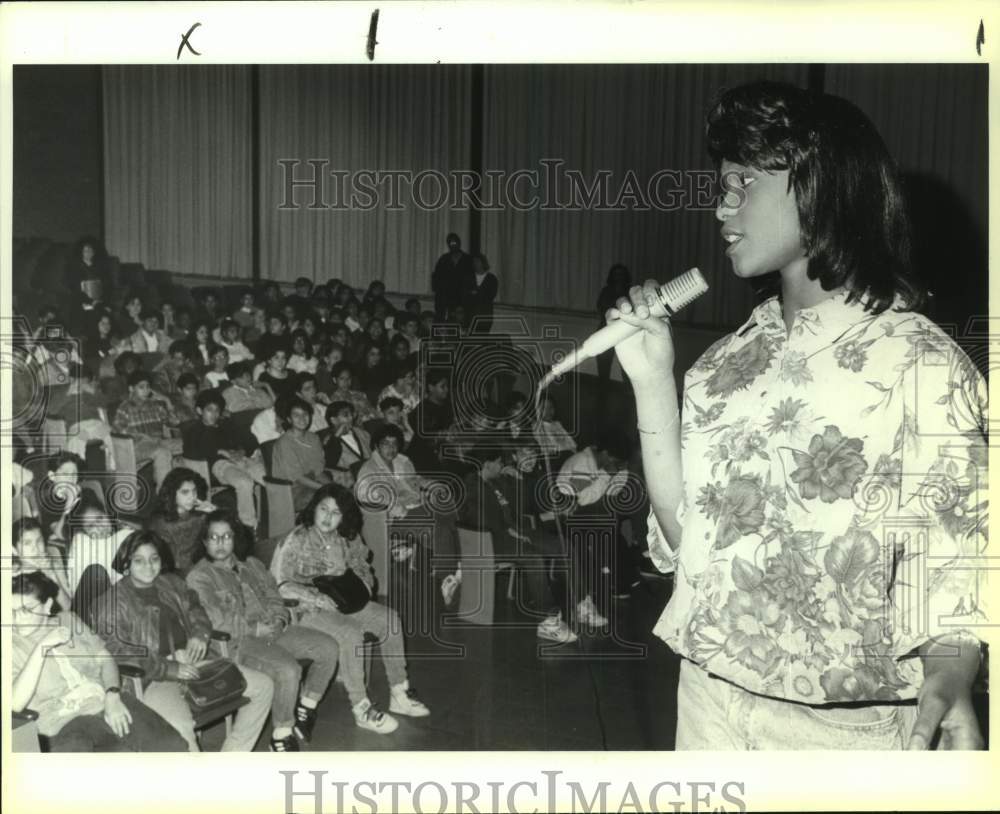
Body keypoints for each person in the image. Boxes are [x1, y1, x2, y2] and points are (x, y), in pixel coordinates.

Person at [608, 80, 988, 750]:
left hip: (845, 726)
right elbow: (686, 541)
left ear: (822, 188)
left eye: (743, 183)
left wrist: (952, 671)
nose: (722, 207)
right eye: (720, 186)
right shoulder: (723, 366)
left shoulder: (921, 363)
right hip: (708, 701)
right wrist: (651, 381)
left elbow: (959, 555)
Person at [93, 530, 274, 752]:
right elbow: (120, 652)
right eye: (138, 561)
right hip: (152, 679)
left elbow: (197, 610)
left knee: (263, 686)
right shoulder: (110, 603)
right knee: (180, 727)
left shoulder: (172, 583)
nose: (148, 566)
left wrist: (200, 635)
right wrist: (170, 668)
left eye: (154, 559)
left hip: (194, 663)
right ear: (126, 564)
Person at [271, 484, 430, 733]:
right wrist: (316, 598)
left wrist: (359, 585)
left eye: (336, 512)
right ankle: (361, 708)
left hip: (343, 601)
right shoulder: (297, 539)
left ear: (343, 516)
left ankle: (399, 692)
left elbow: (364, 569)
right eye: (324, 509)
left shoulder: (348, 537)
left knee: (389, 619)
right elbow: (280, 584)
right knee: (350, 632)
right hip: (306, 610)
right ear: (314, 509)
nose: (328, 517)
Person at [186, 511, 341, 751]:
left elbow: (273, 595)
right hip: (239, 642)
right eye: (214, 537)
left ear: (235, 538)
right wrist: (255, 629)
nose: (220, 543)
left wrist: (279, 617)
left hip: (273, 630)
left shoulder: (252, 564)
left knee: (328, 647)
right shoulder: (199, 577)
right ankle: (281, 734)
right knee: (288, 669)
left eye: (227, 536)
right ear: (205, 542)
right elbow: (215, 620)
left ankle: (306, 707)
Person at [11, 570, 188, 752]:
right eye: (12, 611)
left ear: (47, 605)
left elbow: (105, 660)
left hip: (104, 700)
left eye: (27, 610)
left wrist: (112, 694)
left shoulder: (68, 620)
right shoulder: (10, 645)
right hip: (63, 725)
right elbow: (14, 704)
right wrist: (42, 646)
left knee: (173, 746)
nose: (17, 619)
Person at [460, 448, 576, 643]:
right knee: (533, 558)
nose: (502, 466)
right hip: (490, 541)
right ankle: (547, 622)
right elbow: (479, 521)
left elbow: (520, 507)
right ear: (487, 464)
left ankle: (581, 603)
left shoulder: (497, 482)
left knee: (563, 545)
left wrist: (517, 480)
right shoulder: (472, 485)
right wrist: (511, 532)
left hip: (513, 531)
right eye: (499, 462)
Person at [182, 390, 266, 531]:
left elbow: (246, 441)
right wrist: (221, 451)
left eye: (217, 410)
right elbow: (193, 451)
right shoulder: (195, 429)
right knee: (244, 482)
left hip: (240, 459)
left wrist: (242, 450)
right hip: (219, 465)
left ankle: (278, 517)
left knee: (268, 477)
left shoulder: (226, 425)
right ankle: (249, 525)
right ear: (199, 411)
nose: (214, 414)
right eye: (209, 410)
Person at [111, 369, 184, 490]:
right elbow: (116, 432)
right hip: (137, 447)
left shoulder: (155, 405)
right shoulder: (125, 407)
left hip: (158, 442)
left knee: (189, 444)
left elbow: (174, 422)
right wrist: (139, 436)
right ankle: (164, 493)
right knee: (162, 452)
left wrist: (167, 401)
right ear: (131, 389)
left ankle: (188, 489)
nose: (146, 390)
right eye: (141, 387)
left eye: (148, 387)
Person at [149, 468, 218, 574]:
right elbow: (173, 563)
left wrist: (215, 512)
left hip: (201, 567)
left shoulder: (200, 516)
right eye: (185, 492)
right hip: (174, 573)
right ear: (172, 494)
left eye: (194, 491)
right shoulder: (161, 523)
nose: (192, 497)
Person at [271, 396, 333, 513]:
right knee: (328, 499)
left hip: (312, 483)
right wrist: (326, 488)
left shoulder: (313, 438)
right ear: (289, 419)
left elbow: (318, 470)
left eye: (305, 414)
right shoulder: (284, 443)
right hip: (291, 491)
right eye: (296, 415)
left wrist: (333, 487)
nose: (302, 419)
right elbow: (297, 477)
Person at [13, 518, 73, 611]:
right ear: (14, 550)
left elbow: (69, 608)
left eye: (39, 541)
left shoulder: (53, 567)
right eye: (27, 543)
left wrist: (52, 576)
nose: (36, 548)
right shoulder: (12, 576)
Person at [595, 263, 632, 386]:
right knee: (603, 363)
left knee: (627, 365)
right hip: (606, 331)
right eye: (616, 274)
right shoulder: (606, 291)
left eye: (621, 274)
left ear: (625, 276)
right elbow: (601, 308)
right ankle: (602, 389)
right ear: (611, 276)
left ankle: (629, 391)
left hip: (626, 333)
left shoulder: (631, 291)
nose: (618, 277)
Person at [432, 232, 472, 321]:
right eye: (450, 243)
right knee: (443, 322)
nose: (453, 245)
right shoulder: (443, 259)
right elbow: (436, 278)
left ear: (459, 243)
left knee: (461, 322)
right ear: (448, 245)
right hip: (445, 298)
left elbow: (472, 280)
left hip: (462, 299)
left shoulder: (468, 260)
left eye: (455, 242)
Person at [460, 252, 499, 334]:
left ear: (483, 263)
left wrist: (475, 293)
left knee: (482, 339)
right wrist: (478, 293)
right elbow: (464, 296)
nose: (475, 264)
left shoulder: (491, 279)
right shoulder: (468, 278)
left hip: (484, 317)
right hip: (469, 317)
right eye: (474, 262)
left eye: (477, 261)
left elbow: (490, 296)